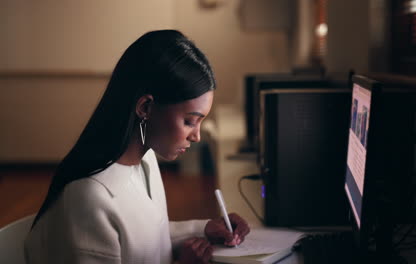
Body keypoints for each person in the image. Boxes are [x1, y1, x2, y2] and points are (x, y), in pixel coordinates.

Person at [24, 30, 250, 264]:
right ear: (145, 108)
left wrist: (205, 229)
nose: (197, 136)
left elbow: (147, 238)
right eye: (189, 121)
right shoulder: (90, 197)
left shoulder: (145, 158)